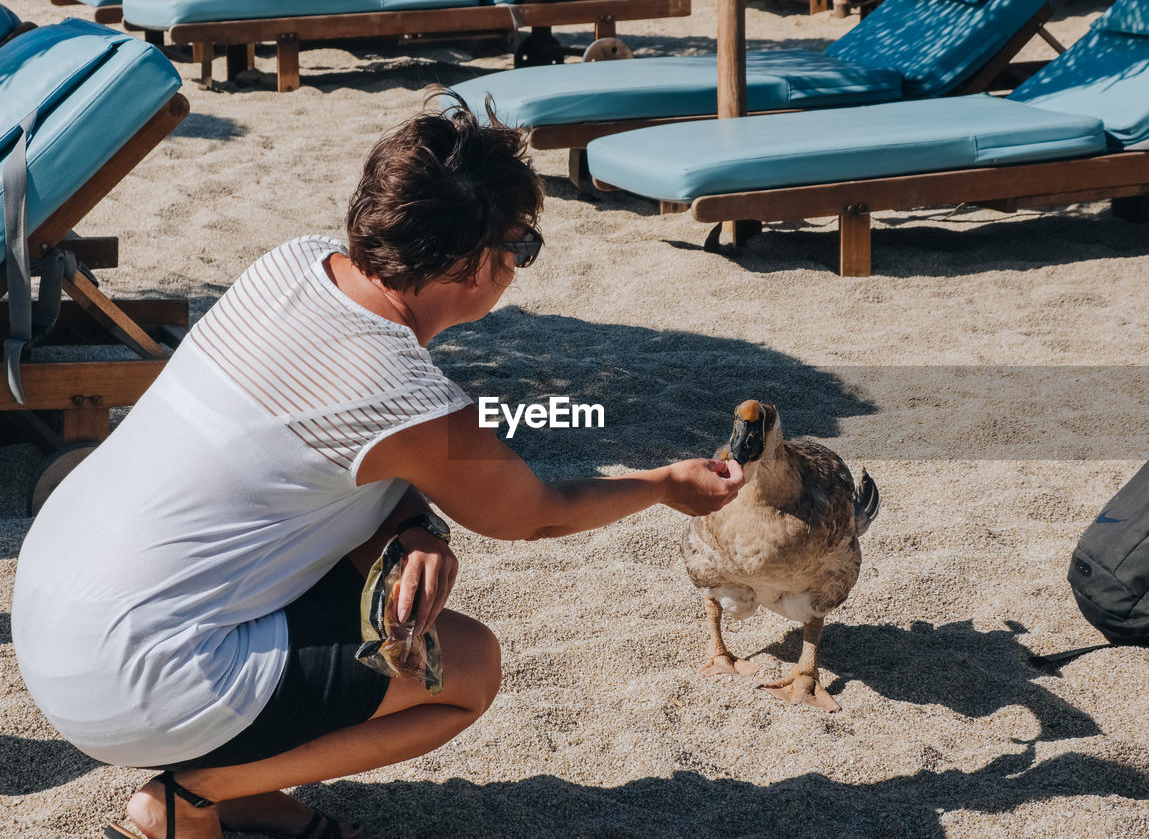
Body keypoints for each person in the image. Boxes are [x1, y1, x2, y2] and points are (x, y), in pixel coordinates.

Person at [11, 92, 744, 839]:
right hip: (134, 677)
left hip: (52, 612)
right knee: (467, 670)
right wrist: (664, 486)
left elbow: (327, 454)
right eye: (523, 246)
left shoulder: (292, 264)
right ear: (470, 263)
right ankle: (196, 794)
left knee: (383, 602)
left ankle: (245, 793)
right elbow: (535, 512)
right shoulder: (407, 396)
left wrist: (415, 526)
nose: (521, 264)